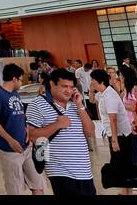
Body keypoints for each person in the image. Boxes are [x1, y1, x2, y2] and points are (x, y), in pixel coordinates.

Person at [25, 67, 96, 195]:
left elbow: (90, 132)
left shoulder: (76, 104)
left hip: (84, 171)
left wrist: (80, 105)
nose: (68, 91)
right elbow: (32, 135)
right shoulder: (37, 104)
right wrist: (57, 125)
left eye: (71, 87)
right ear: (52, 84)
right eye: (64, 86)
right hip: (60, 171)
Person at [0, 62, 43, 195]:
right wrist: (10, 140)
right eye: (20, 79)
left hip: (25, 147)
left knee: (38, 183)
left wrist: (27, 132)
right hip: (8, 150)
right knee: (15, 188)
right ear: (14, 78)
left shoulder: (15, 93)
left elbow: (21, 116)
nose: (21, 82)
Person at [91, 69, 137, 194]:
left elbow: (113, 119)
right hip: (117, 135)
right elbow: (91, 100)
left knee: (122, 164)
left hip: (120, 135)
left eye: (93, 81)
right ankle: (125, 191)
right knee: (123, 164)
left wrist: (115, 141)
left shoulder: (110, 95)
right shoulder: (104, 93)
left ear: (100, 82)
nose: (92, 83)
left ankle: (129, 190)